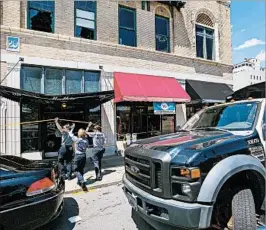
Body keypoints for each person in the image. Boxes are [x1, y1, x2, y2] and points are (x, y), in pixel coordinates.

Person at [68, 124, 89, 190]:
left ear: (79, 133)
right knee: (81, 169)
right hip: (84, 155)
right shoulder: (86, 140)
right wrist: (87, 128)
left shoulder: (77, 139)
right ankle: (79, 182)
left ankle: (81, 180)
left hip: (78, 156)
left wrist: (73, 127)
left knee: (75, 170)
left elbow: (70, 133)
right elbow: (85, 134)